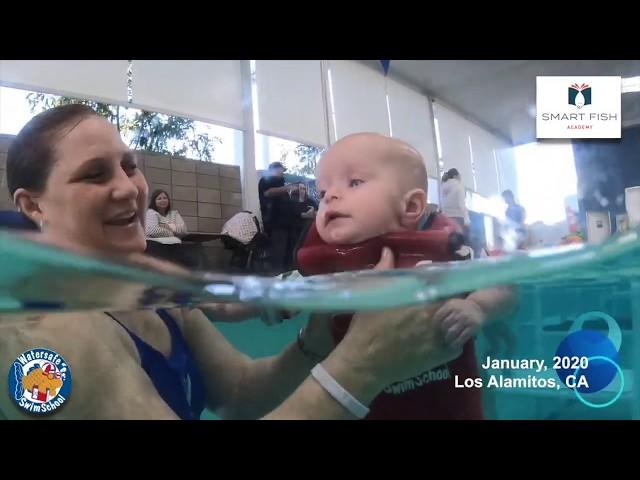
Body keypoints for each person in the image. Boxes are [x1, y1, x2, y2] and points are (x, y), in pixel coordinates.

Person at [0, 104, 461, 420]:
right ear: (33, 206)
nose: (128, 188)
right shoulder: (47, 340)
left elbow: (240, 393)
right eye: (94, 174)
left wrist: (318, 338)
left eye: (129, 165)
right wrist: (364, 364)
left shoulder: (154, 292)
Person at [301, 133, 516, 419]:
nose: (330, 196)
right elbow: (283, 293)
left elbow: (505, 284)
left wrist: (477, 306)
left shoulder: (442, 247)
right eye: (322, 192)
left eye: (355, 182)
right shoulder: (328, 265)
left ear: (411, 206)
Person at [258, 162, 299, 273]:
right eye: (281, 170)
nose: (283, 173)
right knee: (278, 254)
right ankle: (276, 279)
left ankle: (287, 278)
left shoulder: (281, 184)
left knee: (290, 254)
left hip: (288, 224)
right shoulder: (266, 180)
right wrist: (289, 188)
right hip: (276, 224)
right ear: (274, 169)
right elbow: (268, 193)